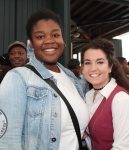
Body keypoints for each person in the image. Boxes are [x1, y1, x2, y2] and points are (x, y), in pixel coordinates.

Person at [0, 8, 89, 150]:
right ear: (31, 45)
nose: (49, 41)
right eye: (40, 37)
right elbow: (7, 142)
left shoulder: (71, 78)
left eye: (55, 34)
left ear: (62, 39)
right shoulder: (18, 78)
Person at [81, 38, 129, 150]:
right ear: (83, 68)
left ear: (110, 67)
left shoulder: (120, 99)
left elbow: (123, 148)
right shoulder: (89, 96)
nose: (93, 68)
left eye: (100, 62)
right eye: (88, 63)